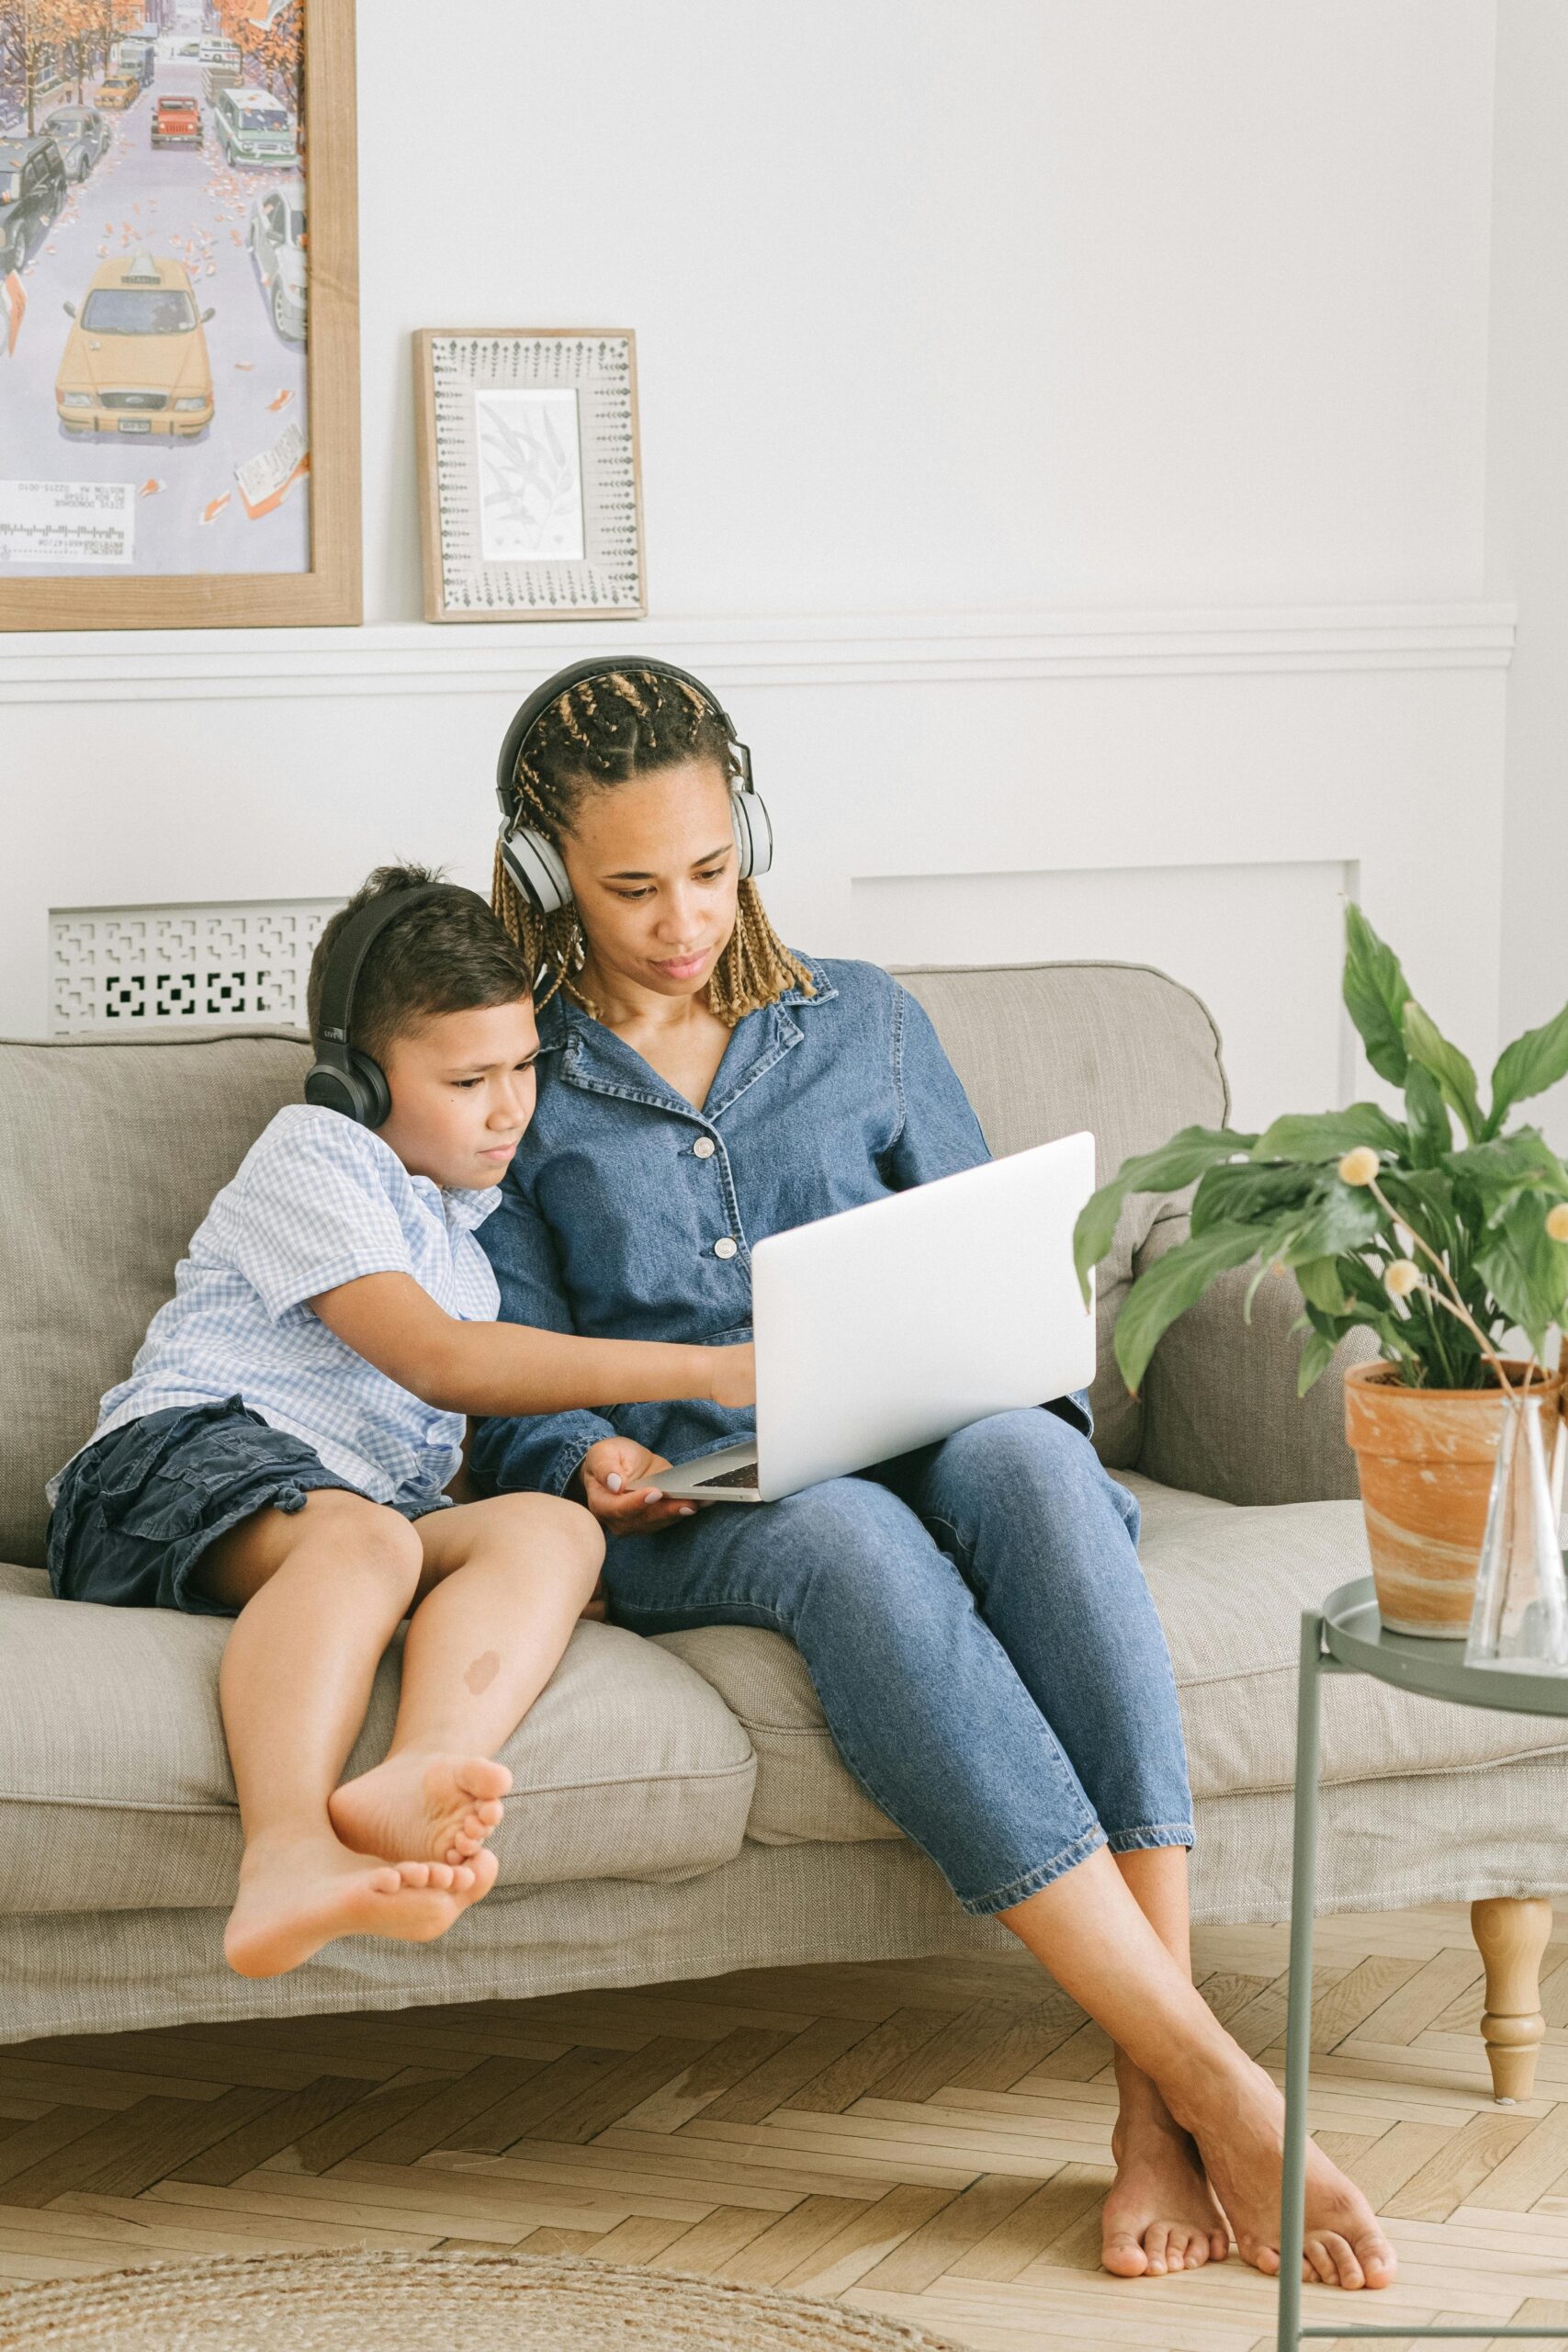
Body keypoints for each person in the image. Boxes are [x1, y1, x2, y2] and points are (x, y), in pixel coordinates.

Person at [469, 663, 1397, 2295]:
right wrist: (588, 1456)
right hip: (712, 1499)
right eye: (629, 888)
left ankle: (1150, 2104)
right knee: (849, 1548)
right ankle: (1216, 2079)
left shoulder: (866, 1020)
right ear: (549, 875)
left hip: (931, 1427)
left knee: (1032, 1475)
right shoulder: (516, 1077)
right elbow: (506, 1372)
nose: (682, 919)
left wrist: (999, 1366)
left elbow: (1006, 1287)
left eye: (708, 869)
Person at [44, 865, 754, 1984]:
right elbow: (440, 1361)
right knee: (364, 1539)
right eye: (471, 1078)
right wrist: (710, 1369)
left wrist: (593, 1464)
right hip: (165, 1469)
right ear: (357, 1084)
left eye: (525, 1067)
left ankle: (423, 1768)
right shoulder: (317, 1157)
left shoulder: (462, 1244)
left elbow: (439, 1436)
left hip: (337, 1510)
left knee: (550, 1535)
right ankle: (283, 1854)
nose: (512, 1107)